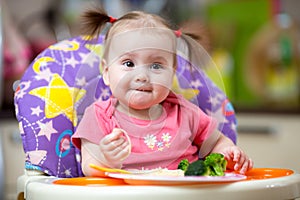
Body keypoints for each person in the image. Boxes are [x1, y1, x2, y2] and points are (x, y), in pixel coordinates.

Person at [72, 7, 253, 177]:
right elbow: (88, 168)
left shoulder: (185, 112)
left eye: (156, 65)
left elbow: (217, 142)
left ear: (172, 73)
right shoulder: (99, 116)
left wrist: (229, 153)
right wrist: (106, 159)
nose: (142, 76)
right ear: (106, 72)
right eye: (129, 63)